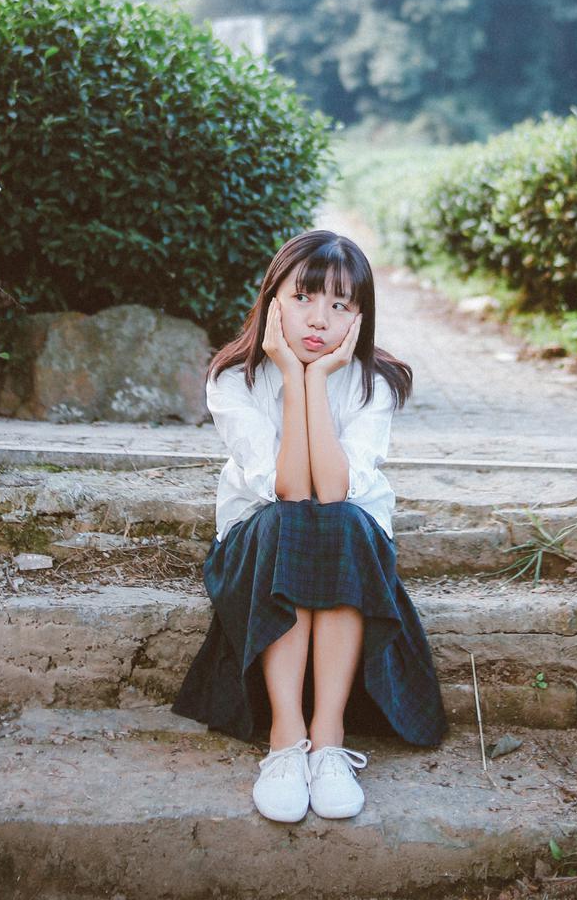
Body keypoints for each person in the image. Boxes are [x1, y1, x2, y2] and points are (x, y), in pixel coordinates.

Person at [171, 228, 448, 824]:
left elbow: (334, 489)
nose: (320, 319)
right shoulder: (234, 378)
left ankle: (328, 741)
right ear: (273, 301)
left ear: (360, 316)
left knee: (338, 519)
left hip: (350, 545)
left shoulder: (375, 382)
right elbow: (291, 490)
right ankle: (285, 740)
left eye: (340, 304)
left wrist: (316, 378)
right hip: (258, 549)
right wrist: (291, 375)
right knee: (292, 519)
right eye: (303, 298)